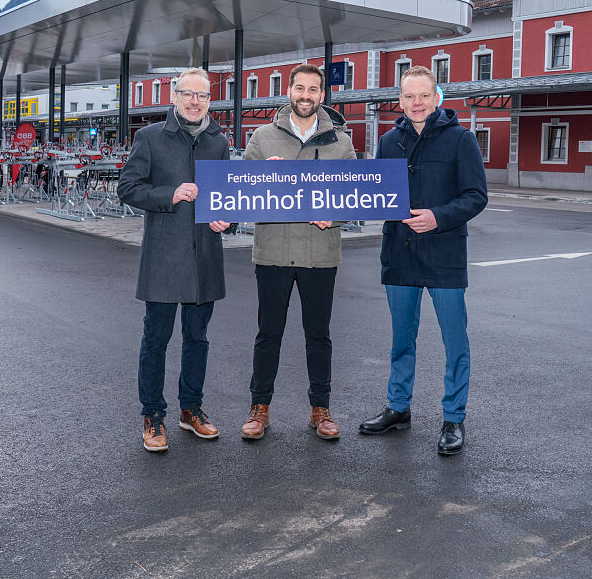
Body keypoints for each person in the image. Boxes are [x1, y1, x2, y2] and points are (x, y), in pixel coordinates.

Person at [359, 66, 487, 455]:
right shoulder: (388, 141)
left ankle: (454, 418)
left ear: (436, 97)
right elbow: (375, 194)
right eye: (409, 96)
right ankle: (398, 408)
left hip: (444, 253)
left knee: (454, 341)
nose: (417, 102)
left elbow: (476, 195)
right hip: (400, 253)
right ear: (400, 101)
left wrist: (438, 217)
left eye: (424, 95)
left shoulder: (462, 139)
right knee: (401, 339)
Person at [117, 68, 232, 453]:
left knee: (197, 339)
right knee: (156, 340)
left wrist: (227, 220)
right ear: (175, 96)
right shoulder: (150, 137)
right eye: (188, 94)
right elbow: (128, 188)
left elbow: (227, 196)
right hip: (164, 257)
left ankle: (191, 409)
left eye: (202, 95)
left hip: (205, 258)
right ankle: (153, 414)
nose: (195, 102)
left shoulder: (219, 141)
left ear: (210, 100)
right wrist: (169, 194)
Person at [239, 63, 356, 441]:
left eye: (313, 89)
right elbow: (240, 191)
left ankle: (320, 408)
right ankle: (259, 407)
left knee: (318, 335)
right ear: (289, 91)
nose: (306, 95)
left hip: (320, 253)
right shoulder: (261, 137)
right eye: (300, 88)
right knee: (268, 333)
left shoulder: (341, 142)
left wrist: (335, 215)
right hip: (273, 250)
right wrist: (262, 178)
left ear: (322, 94)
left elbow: (355, 195)